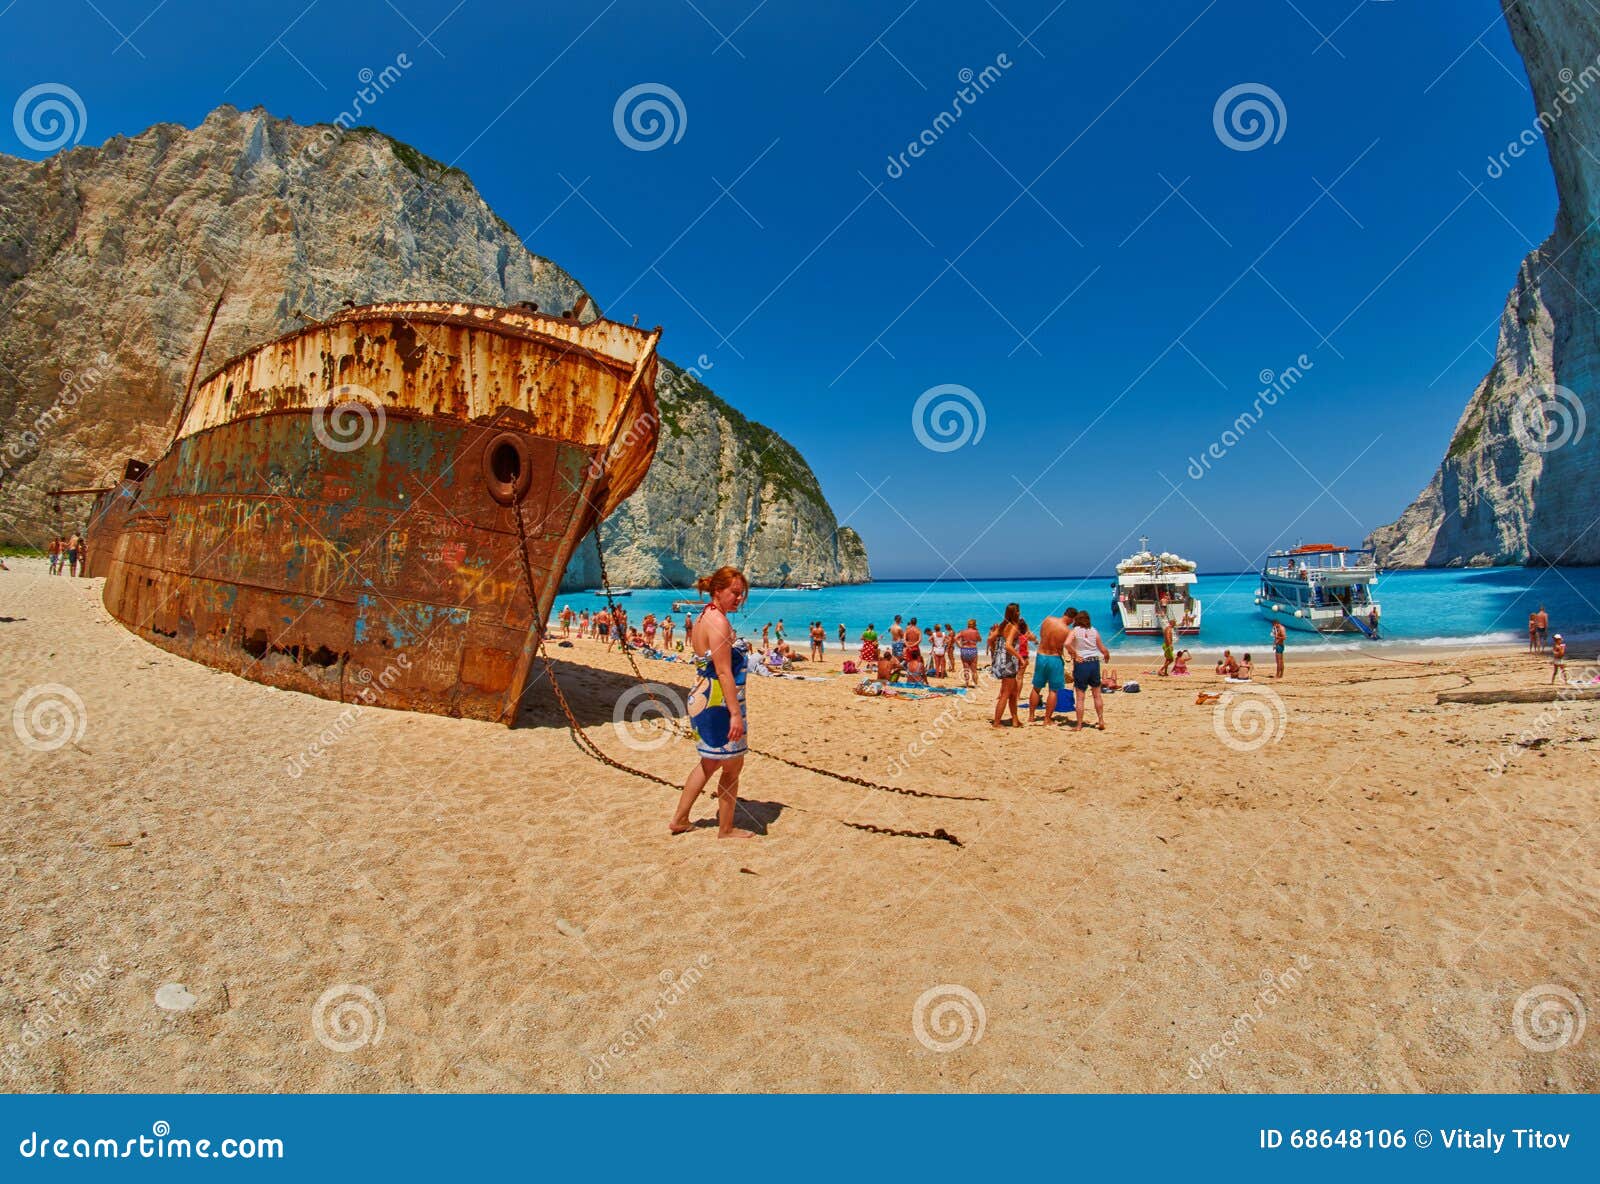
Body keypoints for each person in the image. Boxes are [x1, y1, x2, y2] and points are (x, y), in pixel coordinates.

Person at [671, 566, 756, 839]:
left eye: (741, 594)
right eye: (734, 593)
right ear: (717, 591)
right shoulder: (718, 622)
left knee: (709, 763)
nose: (738, 599)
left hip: (705, 696)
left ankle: (680, 818)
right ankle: (726, 830)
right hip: (718, 702)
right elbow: (722, 671)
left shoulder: (706, 616)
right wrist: (735, 714)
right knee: (732, 766)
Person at [1067, 610, 1110, 731]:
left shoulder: (1075, 631)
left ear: (1077, 620)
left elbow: (1067, 643)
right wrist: (1106, 655)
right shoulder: (1094, 631)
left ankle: (1079, 725)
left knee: (1080, 697)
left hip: (1082, 664)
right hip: (1094, 663)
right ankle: (1101, 720)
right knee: (1097, 695)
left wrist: (1075, 654)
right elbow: (1102, 648)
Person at [1029, 611, 1071, 725]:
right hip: (1054, 658)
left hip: (1041, 655)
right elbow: (1064, 647)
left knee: (1036, 688)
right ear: (1072, 619)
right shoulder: (1067, 630)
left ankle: (1031, 716)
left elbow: (1042, 635)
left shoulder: (1047, 619)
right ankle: (1047, 719)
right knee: (1053, 690)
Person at [991, 604, 1023, 728]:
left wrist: (995, 653)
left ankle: (1015, 720)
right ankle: (997, 723)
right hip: (1008, 663)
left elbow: (990, 639)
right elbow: (1008, 646)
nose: (1020, 613)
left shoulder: (1003, 625)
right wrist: (1020, 657)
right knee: (1005, 693)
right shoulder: (1013, 626)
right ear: (1016, 613)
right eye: (1018, 611)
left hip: (1002, 661)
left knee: (1014, 693)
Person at [956, 618, 981, 688]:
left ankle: (966, 684)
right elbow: (980, 640)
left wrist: (959, 645)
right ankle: (975, 684)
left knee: (966, 668)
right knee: (974, 669)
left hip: (964, 650)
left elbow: (955, 638)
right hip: (973, 650)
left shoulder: (963, 631)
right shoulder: (975, 632)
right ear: (974, 625)